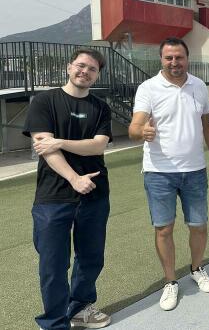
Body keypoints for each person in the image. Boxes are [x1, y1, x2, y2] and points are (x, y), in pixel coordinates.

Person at [128, 37, 209, 311]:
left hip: (195, 170)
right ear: (161, 59)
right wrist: (141, 132)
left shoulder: (199, 86)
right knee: (164, 229)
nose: (174, 62)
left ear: (187, 58)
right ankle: (170, 282)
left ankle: (196, 268)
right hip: (159, 172)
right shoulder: (148, 88)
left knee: (199, 225)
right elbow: (135, 127)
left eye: (179, 57)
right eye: (168, 57)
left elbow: (208, 128)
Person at [23, 49, 112, 330]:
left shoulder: (100, 107)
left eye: (92, 69)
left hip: (95, 195)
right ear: (69, 67)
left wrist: (60, 141)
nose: (85, 72)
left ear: (97, 74)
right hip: (53, 196)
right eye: (81, 66)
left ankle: (80, 308)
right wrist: (74, 178)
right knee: (53, 264)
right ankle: (53, 322)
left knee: (90, 257)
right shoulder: (44, 101)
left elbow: (98, 144)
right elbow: (43, 147)